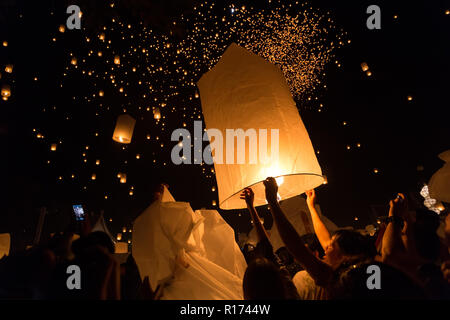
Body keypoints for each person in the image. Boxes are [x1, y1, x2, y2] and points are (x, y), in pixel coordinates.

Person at [263, 177, 379, 299]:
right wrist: (311, 207)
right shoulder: (359, 272)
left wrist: (273, 202)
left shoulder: (335, 278)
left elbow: (296, 247)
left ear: (344, 256)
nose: (326, 247)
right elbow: (325, 238)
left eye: (331, 246)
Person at [240, 187, 299, 300]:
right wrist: (271, 200)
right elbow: (267, 249)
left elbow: (267, 248)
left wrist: (251, 207)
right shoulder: (289, 295)